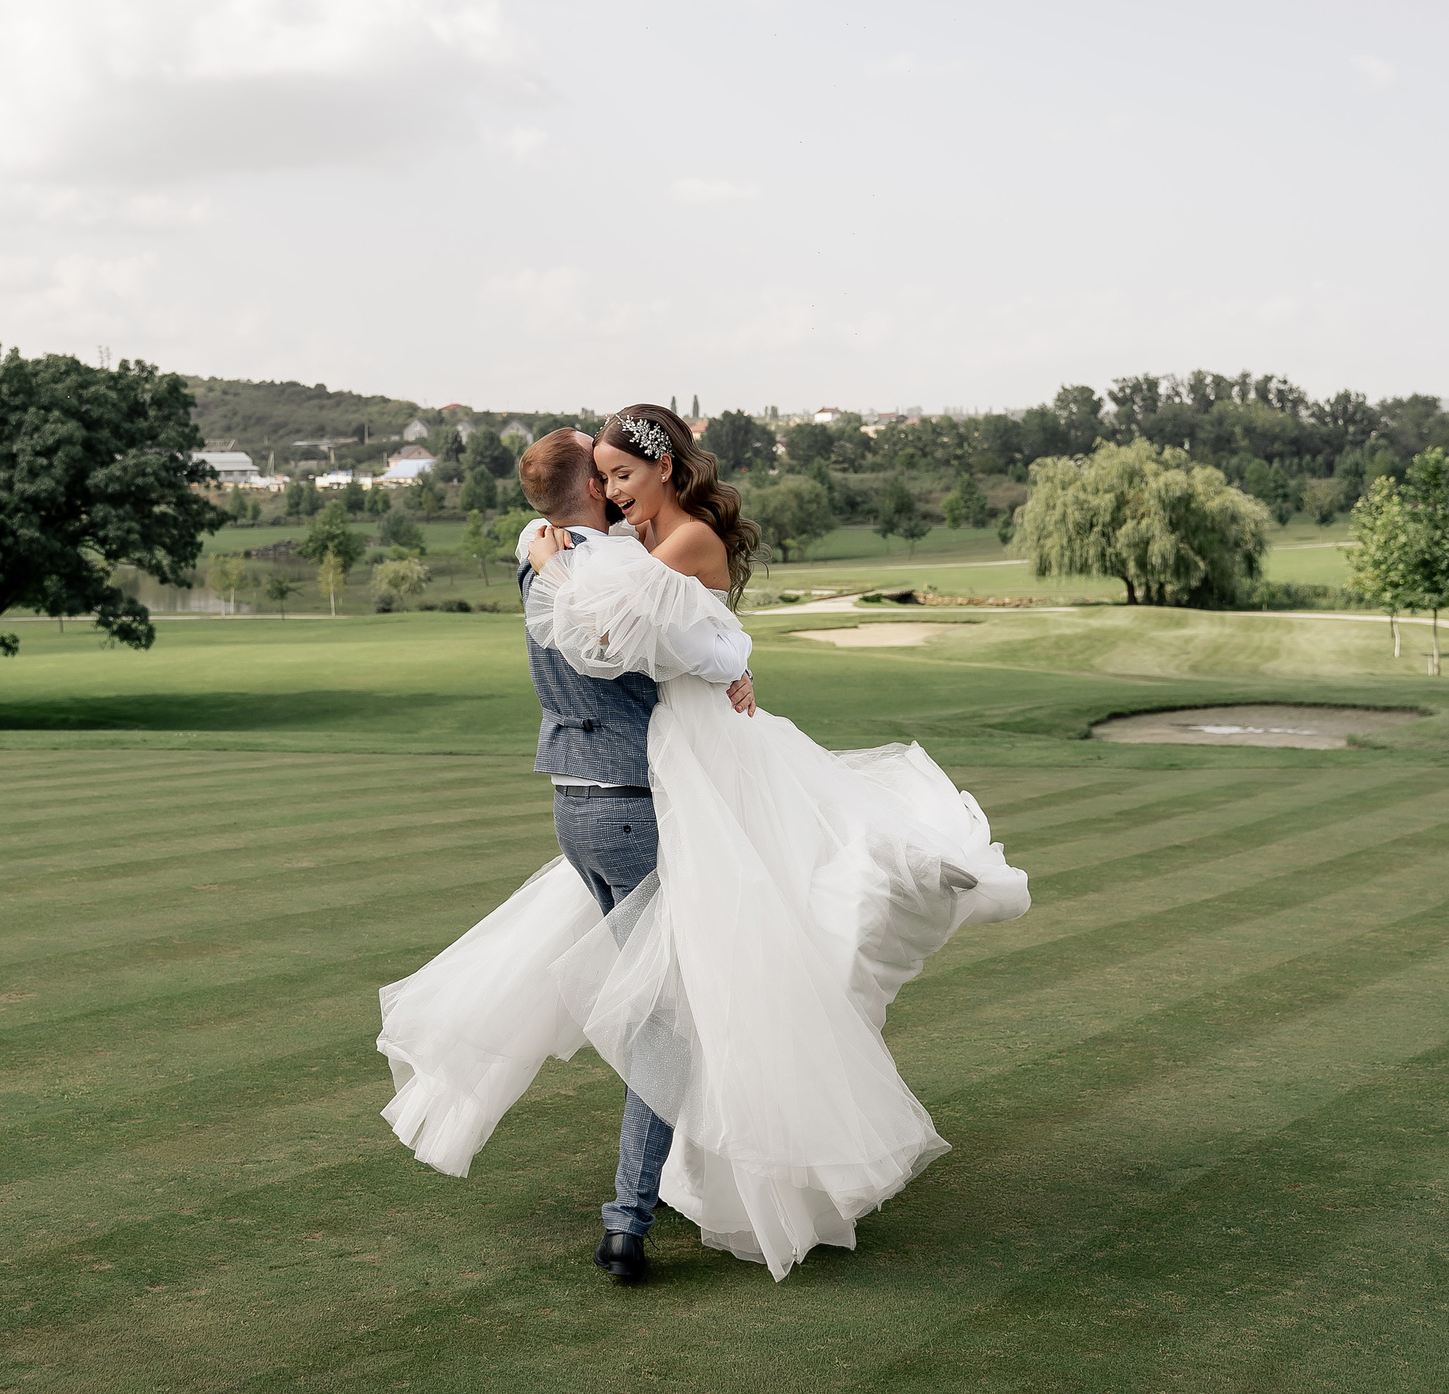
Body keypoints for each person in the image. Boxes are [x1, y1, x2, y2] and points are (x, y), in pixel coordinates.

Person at [376, 405, 1030, 1283]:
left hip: (619, 791)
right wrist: (722, 651)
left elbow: (650, 620)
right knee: (672, 1017)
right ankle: (633, 1215)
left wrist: (715, 648)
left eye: (623, 475)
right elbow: (618, 638)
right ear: (589, 491)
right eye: (602, 480)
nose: (613, 493)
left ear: (659, 472)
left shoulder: (597, 554)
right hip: (639, 795)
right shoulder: (596, 556)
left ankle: (656, 1196)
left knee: (696, 983)